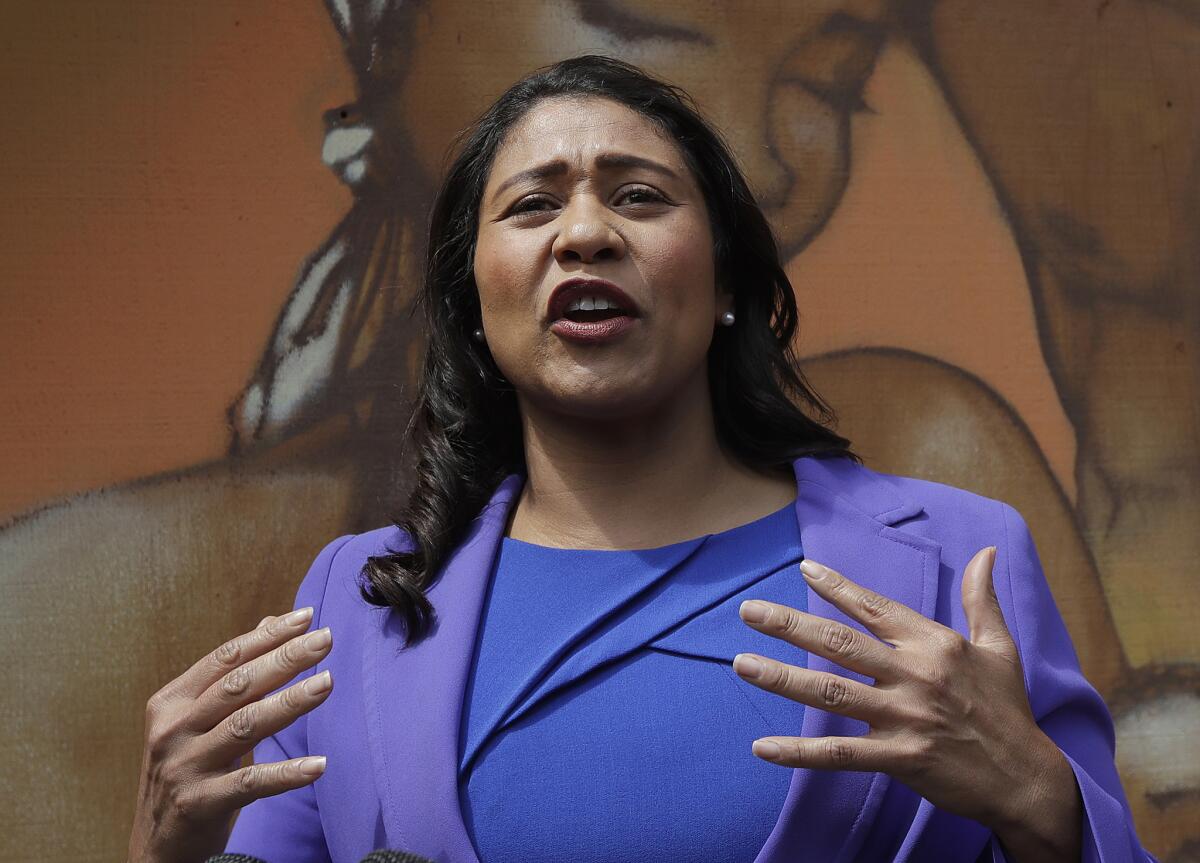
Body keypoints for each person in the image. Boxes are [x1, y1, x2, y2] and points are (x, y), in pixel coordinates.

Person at [127, 56, 1152, 863]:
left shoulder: (964, 559)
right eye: (532, 204)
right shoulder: (353, 603)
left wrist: (1044, 806)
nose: (585, 232)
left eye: (640, 196)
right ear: (475, 310)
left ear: (728, 286)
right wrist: (162, 844)